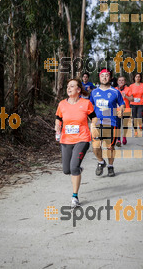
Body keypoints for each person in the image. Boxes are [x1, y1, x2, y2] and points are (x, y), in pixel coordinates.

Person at [55, 78, 97, 208]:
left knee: (73, 168)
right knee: (67, 170)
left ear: (78, 89)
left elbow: (94, 118)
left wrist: (94, 126)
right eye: (68, 86)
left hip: (82, 139)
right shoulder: (62, 104)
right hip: (66, 140)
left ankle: (75, 197)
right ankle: (77, 169)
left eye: (72, 86)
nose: (69, 88)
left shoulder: (85, 104)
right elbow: (58, 119)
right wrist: (57, 128)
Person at [90, 69, 125, 177]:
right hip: (96, 123)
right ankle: (101, 162)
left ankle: (110, 166)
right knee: (95, 147)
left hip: (111, 122)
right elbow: (90, 106)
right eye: (102, 76)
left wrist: (121, 110)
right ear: (99, 78)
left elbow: (122, 104)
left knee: (110, 147)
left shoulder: (115, 92)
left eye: (106, 76)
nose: (104, 77)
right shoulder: (94, 92)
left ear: (110, 78)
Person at [115, 76, 134, 146]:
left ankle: (124, 137)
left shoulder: (128, 89)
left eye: (122, 80)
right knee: (118, 125)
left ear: (125, 82)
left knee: (125, 125)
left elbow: (132, 99)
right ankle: (118, 140)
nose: (121, 82)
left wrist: (126, 96)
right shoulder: (115, 89)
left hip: (126, 110)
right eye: (119, 80)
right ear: (117, 82)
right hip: (117, 110)